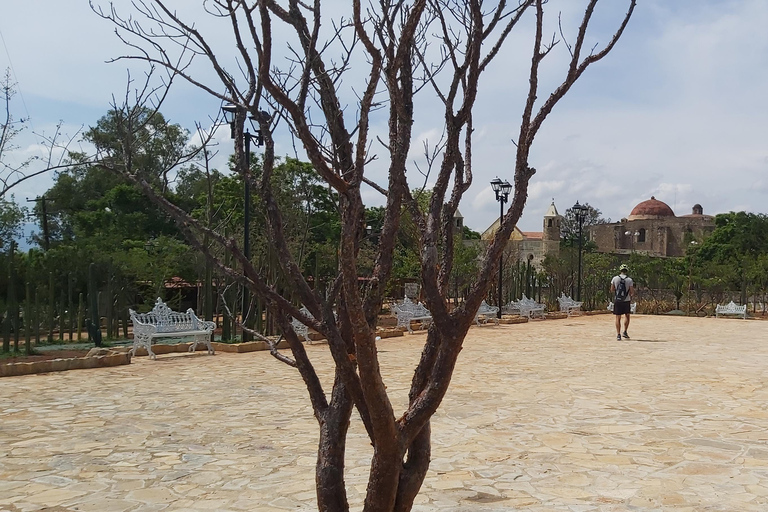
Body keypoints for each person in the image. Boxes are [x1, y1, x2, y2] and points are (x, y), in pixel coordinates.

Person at [610, 263, 634, 340]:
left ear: (620, 270)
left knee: (618, 317)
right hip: (626, 300)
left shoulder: (615, 278)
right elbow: (631, 292)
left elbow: (612, 289)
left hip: (618, 300)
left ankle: (618, 334)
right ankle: (625, 331)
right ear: (627, 271)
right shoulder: (629, 280)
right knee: (627, 316)